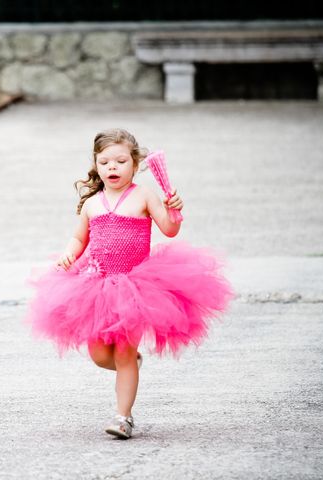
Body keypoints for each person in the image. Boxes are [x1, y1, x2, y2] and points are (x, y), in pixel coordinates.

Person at [27, 128, 233, 439]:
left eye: (121, 161)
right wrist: (68, 255)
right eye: (105, 161)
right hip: (95, 286)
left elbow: (169, 228)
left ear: (134, 164)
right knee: (99, 355)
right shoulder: (92, 203)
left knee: (123, 353)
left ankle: (123, 416)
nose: (113, 167)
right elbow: (78, 237)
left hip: (136, 288)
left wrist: (174, 210)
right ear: (96, 165)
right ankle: (132, 365)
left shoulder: (143, 195)